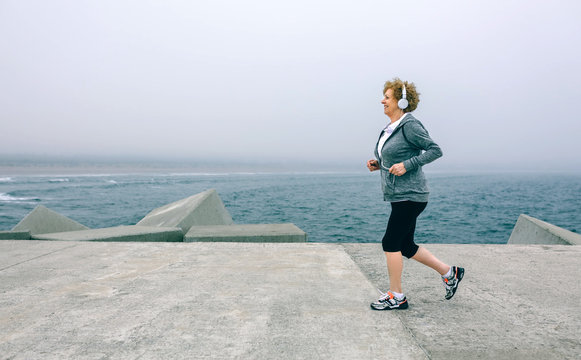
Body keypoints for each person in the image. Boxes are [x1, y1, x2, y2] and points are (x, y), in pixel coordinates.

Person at [366, 78, 464, 310]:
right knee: (406, 245)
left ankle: (396, 296)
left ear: (400, 101)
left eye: (387, 97)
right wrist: (378, 163)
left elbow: (435, 150)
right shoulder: (391, 127)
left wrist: (408, 165)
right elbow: (393, 158)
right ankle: (450, 273)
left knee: (390, 242)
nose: (382, 101)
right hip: (399, 194)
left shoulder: (410, 124)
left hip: (411, 195)